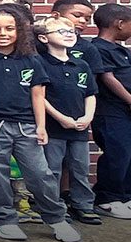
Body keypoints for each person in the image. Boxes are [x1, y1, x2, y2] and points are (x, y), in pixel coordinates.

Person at [0, 6, 78, 242]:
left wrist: (41, 126)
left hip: (27, 128)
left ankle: (56, 219)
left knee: (40, 174)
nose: (2, 33)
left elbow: (38, 95)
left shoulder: (32, 60)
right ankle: (4, 220)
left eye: (9, 28)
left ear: (19, 31)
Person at [37, 16, 100, 225]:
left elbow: (90, 93)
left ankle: (83, 205)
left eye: (71, 31)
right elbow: (39, 96)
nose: (69, 35)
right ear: (44, 38)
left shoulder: (81, 64)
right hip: (54, 128)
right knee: (52, 169)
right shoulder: (40, 63)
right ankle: (54, 207)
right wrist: (61, 118)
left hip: (80, 128)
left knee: (81, 168)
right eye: (61, 32)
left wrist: (88, 117)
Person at [90, 3, 131, 219]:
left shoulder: (121, 50)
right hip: (110, 111)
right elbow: (107, 77)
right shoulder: (97, 48)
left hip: (126, 113)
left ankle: (126, 196)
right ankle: (107, 198)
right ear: (119, 24)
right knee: (116, 154)